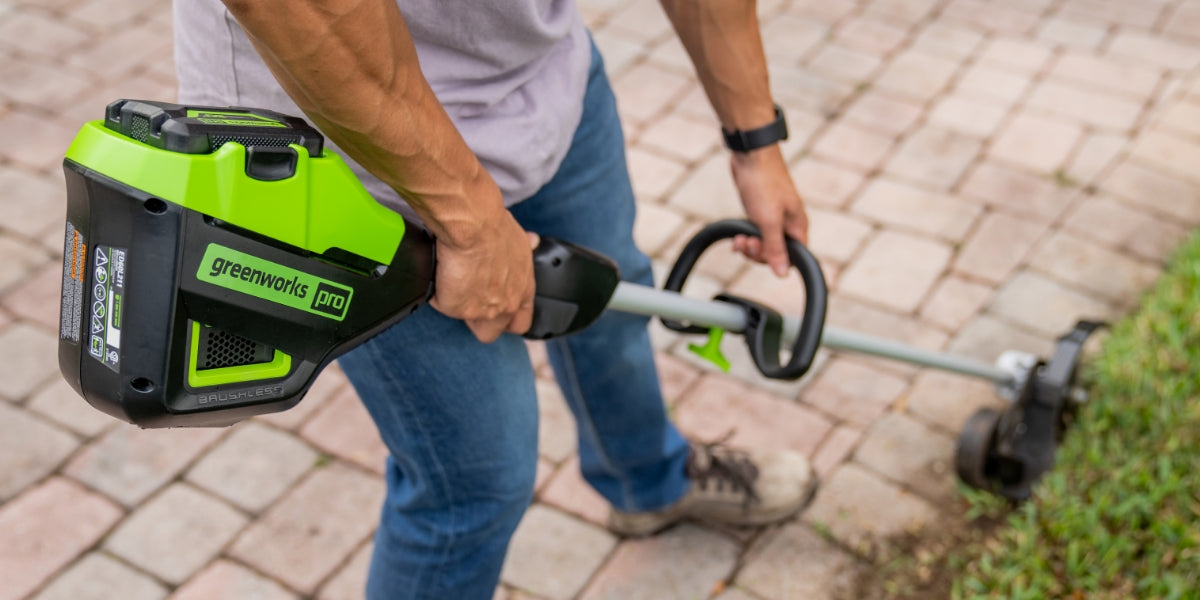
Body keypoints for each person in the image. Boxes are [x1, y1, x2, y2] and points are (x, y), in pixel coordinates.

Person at [174, 0, 814, 597]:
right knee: (472, 482)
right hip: (338, 150)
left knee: (614, 309)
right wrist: (471, 222)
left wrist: (755, 140)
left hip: (541, 82)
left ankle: (649, 479)